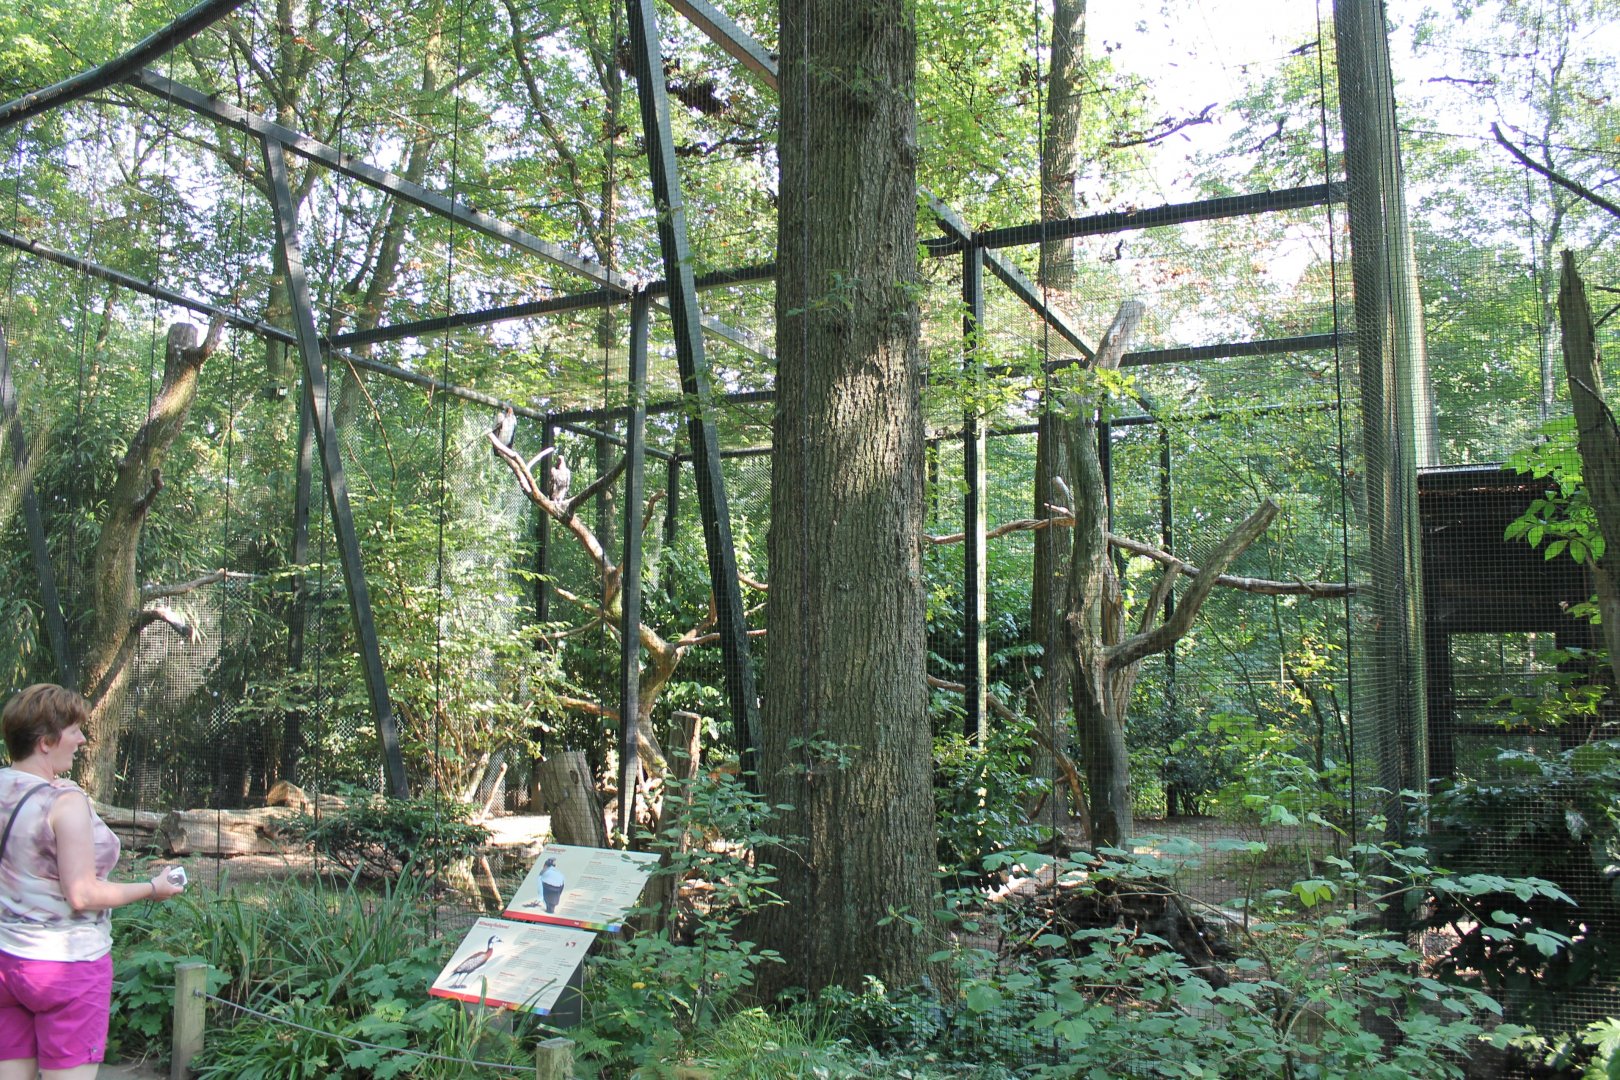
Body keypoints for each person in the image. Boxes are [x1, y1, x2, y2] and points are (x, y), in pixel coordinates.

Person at [0, 685, 185, 1080]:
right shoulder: (63, 804)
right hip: (67, 967)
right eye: (73, 731)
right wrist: (153, 888)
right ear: (46, 742)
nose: (82, 739)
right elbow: (83, 894)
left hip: (7, 961)